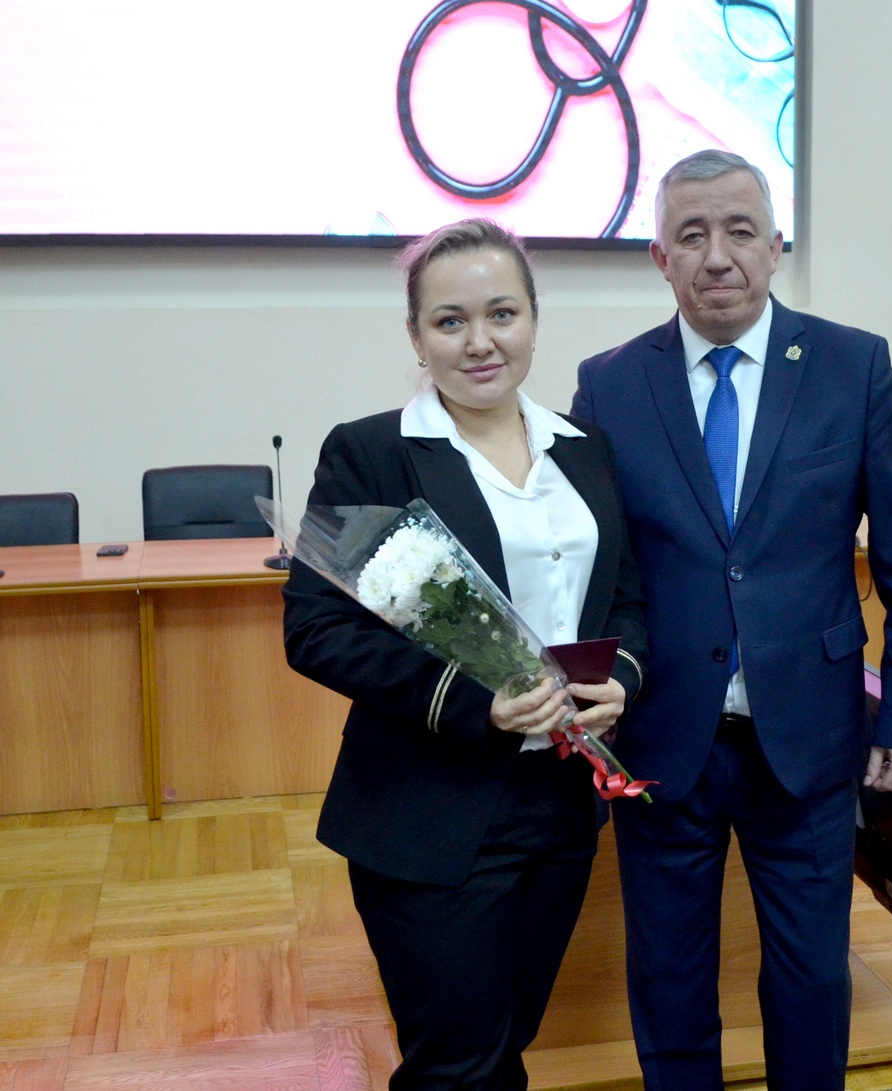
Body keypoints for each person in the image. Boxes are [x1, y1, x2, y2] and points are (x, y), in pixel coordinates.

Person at [571, 150, 892, 1091]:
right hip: (664, 740)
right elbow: (592, 570)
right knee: (669, 978)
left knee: (812, 979)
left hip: (810, 738)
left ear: (777, 246)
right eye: (691, 234)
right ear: (660, 257)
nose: (717, 255)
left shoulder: (854, 366)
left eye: (740, 230)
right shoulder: (608, 385)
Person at [282, 218, 647, 1091]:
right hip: (429, 808)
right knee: (456, 1063)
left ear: (533, 319)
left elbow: (629, 600)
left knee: (506, 1039)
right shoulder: (370, 452)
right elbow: (316, 630)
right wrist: (474, 701)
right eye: (450, 321)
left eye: (501, 314)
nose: (480, 341)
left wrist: (621, 680)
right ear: (417, 336)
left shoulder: (585, 450)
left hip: (561, 803)